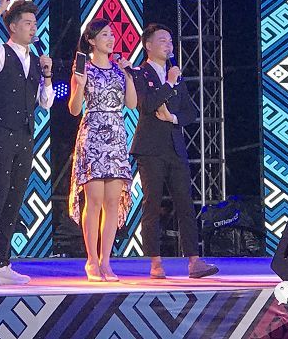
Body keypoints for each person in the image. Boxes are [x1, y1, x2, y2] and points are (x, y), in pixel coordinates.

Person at [0, 0, 54, 286]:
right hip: (0, 133)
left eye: (35, 23)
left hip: (25, 136)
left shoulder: (36, 60)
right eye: (28, 23)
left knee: (15, 197)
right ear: (14, 26)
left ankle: (2, 261)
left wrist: (47, 75)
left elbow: (46, 103)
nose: (33, 27)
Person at [130, 23, 218, 280]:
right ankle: (155, 262)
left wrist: (173, 118)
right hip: (150, 148)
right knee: (152, 203)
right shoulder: (140, 73)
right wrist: (168, 84)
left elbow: (191, 112)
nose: (168, 45)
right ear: (148, 45)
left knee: (185, 203)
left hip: (175, 147)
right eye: (162, 40)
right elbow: (146, 105)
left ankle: (194, 260)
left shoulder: (176, 75)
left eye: (170, 41)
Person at [67, 20, 138, 282]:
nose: (111, 38)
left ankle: (107, 261)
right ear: (91, 40)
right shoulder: (83, 68)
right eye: (104, 34)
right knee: (94, 200)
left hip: (116, 134)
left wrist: (129, 74)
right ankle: (92, 261)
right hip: (93, 134)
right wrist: (80, 84)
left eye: (112, 34)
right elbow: (74, 109)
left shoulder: (120, 70)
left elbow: (132, 104)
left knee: (112, 202)